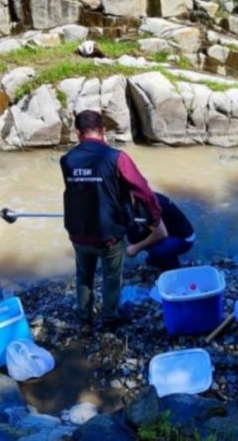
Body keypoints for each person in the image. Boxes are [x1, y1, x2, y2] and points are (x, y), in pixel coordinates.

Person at [60, 110, 165, 328]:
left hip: (78, 232)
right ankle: (109, 317)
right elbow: (143, 191)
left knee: (84, 276)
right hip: (109, 233)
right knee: (111, 277)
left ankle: (84, 317)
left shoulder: (67, 160)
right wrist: (154, 218)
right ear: (103, 131)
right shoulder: (117, 158)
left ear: (77, 133)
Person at [127, 192, 195, 271]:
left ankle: (173, 268)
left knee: (156, 252)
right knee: (133, 234)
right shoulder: (138, 195)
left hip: (184, 237)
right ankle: (159, 258)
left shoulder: (148, 203)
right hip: (168, 230)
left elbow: (161, 234)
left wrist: (135, 248)